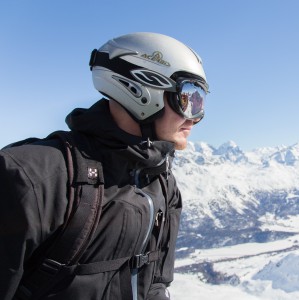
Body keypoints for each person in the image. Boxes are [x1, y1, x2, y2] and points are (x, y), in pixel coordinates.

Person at [0, 32, 209, 300]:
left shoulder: (162, 182)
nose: (197, 117)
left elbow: (156, 284)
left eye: (201, 101)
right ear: (141, 89)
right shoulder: (32, 177)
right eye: (188, 97)